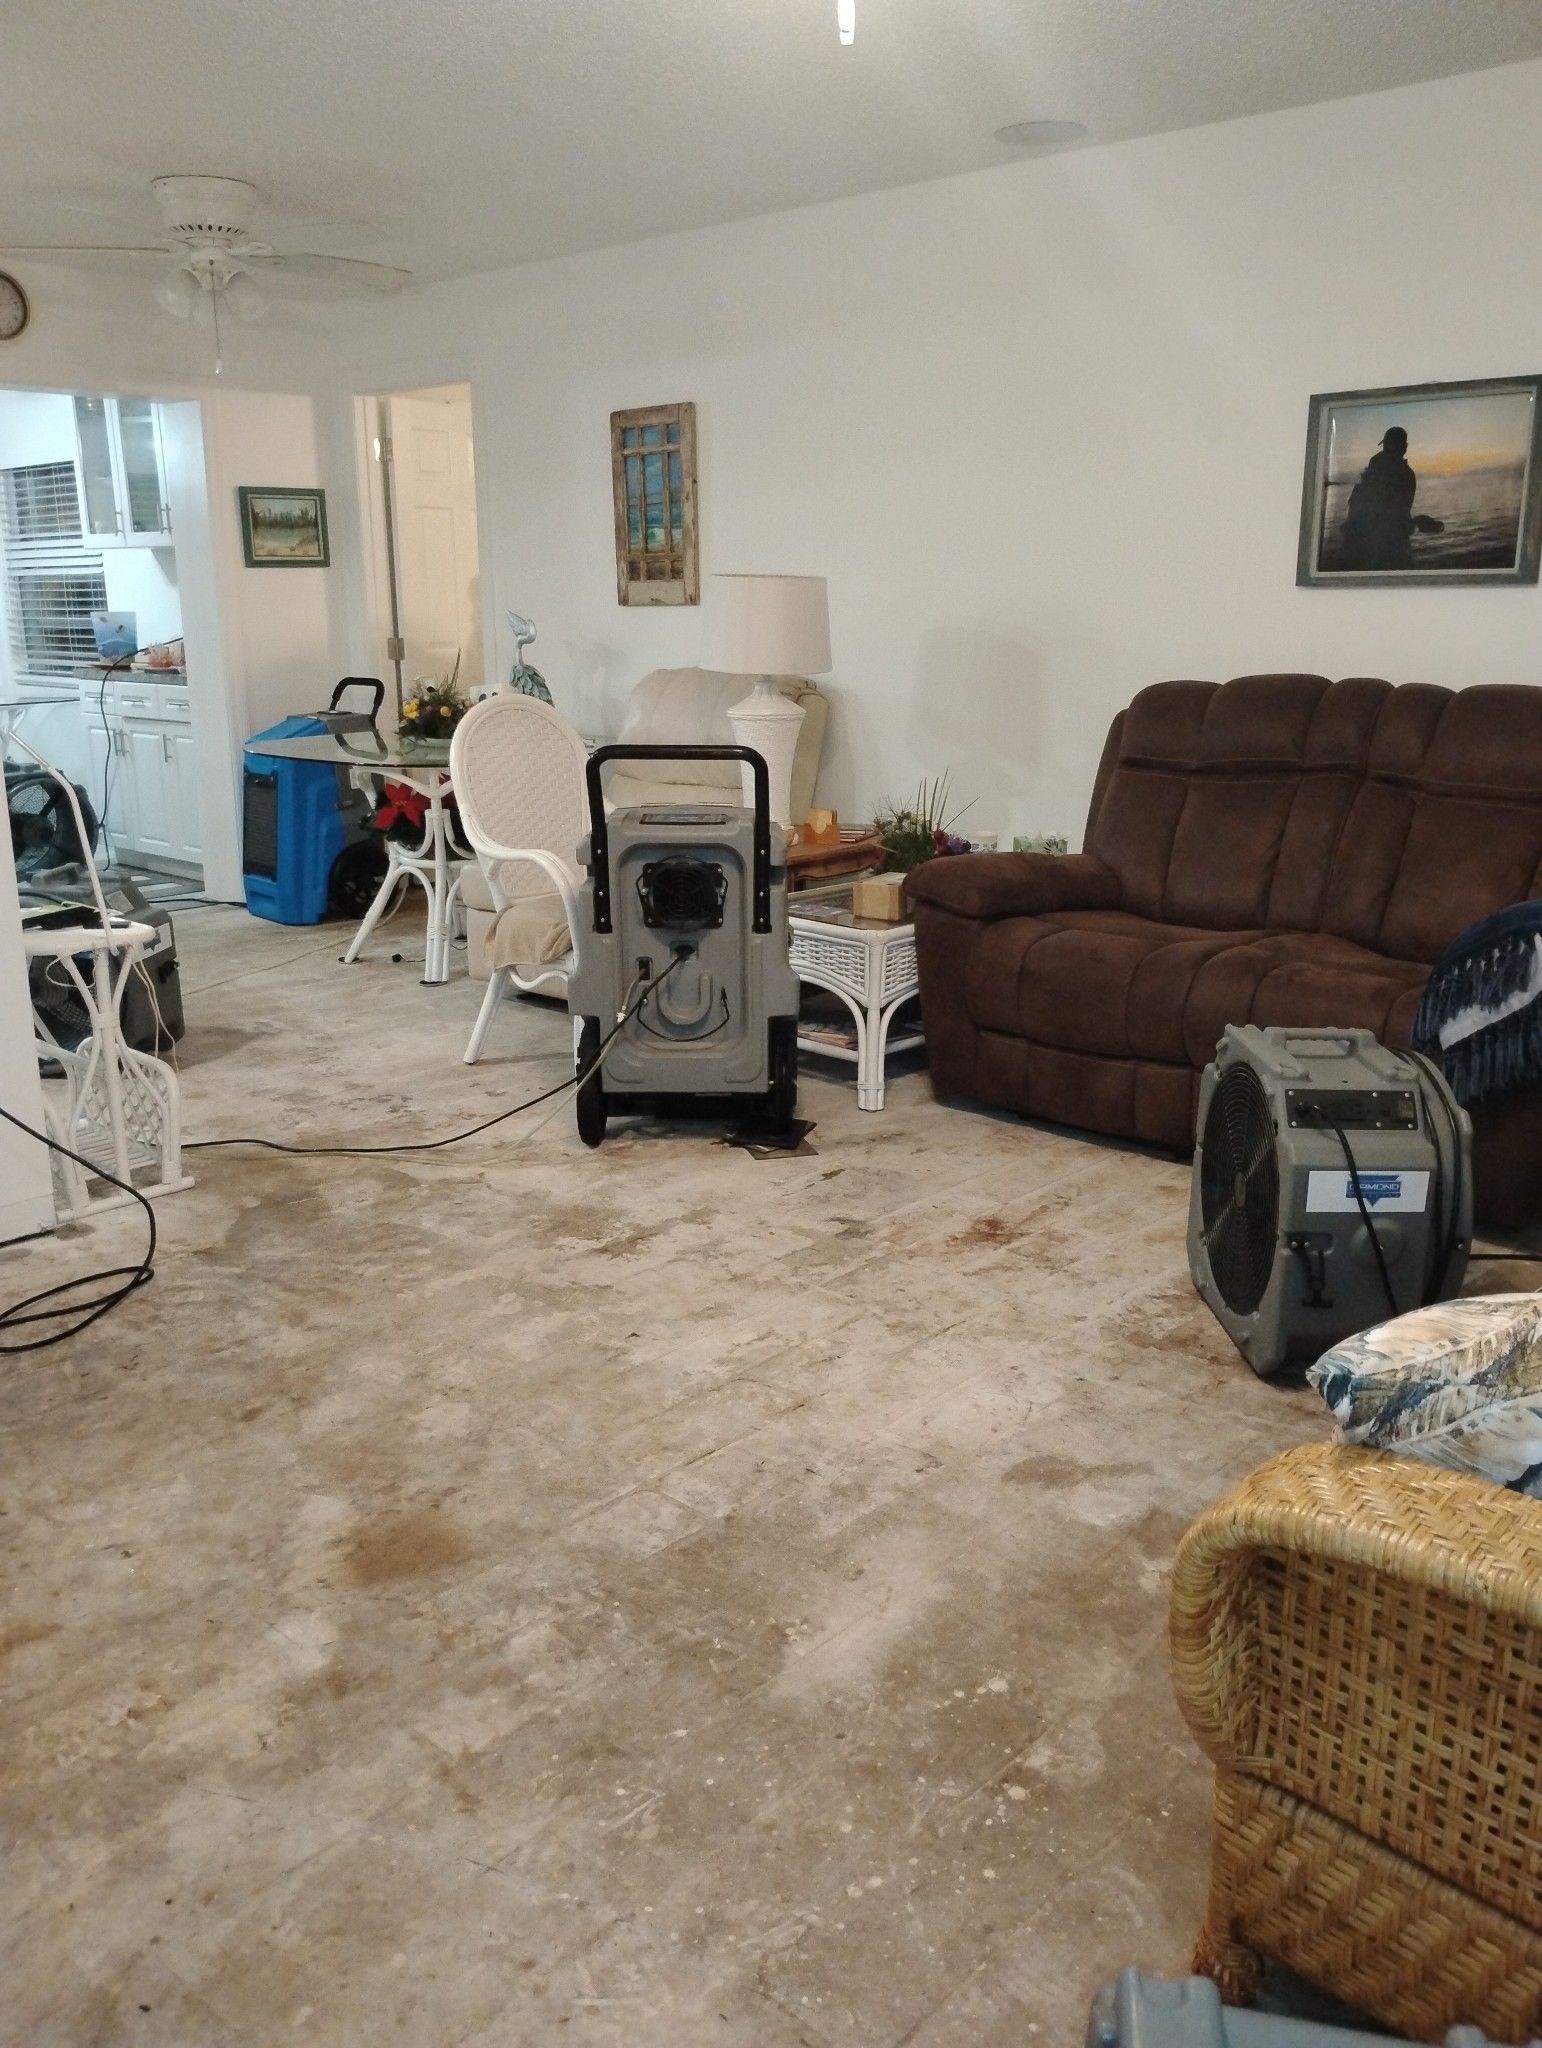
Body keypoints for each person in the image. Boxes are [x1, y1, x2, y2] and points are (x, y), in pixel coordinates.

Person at [1336, 426, 1443, 570]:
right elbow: (1395, 517)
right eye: (1387, 447)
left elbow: (1386, 514)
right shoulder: (1404, 474)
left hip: (1369, 550)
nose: (1385, 451)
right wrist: (1415, 522)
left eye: (1387, 446)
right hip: (1383, 551)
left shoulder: (1381, 470)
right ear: (1404, 448)